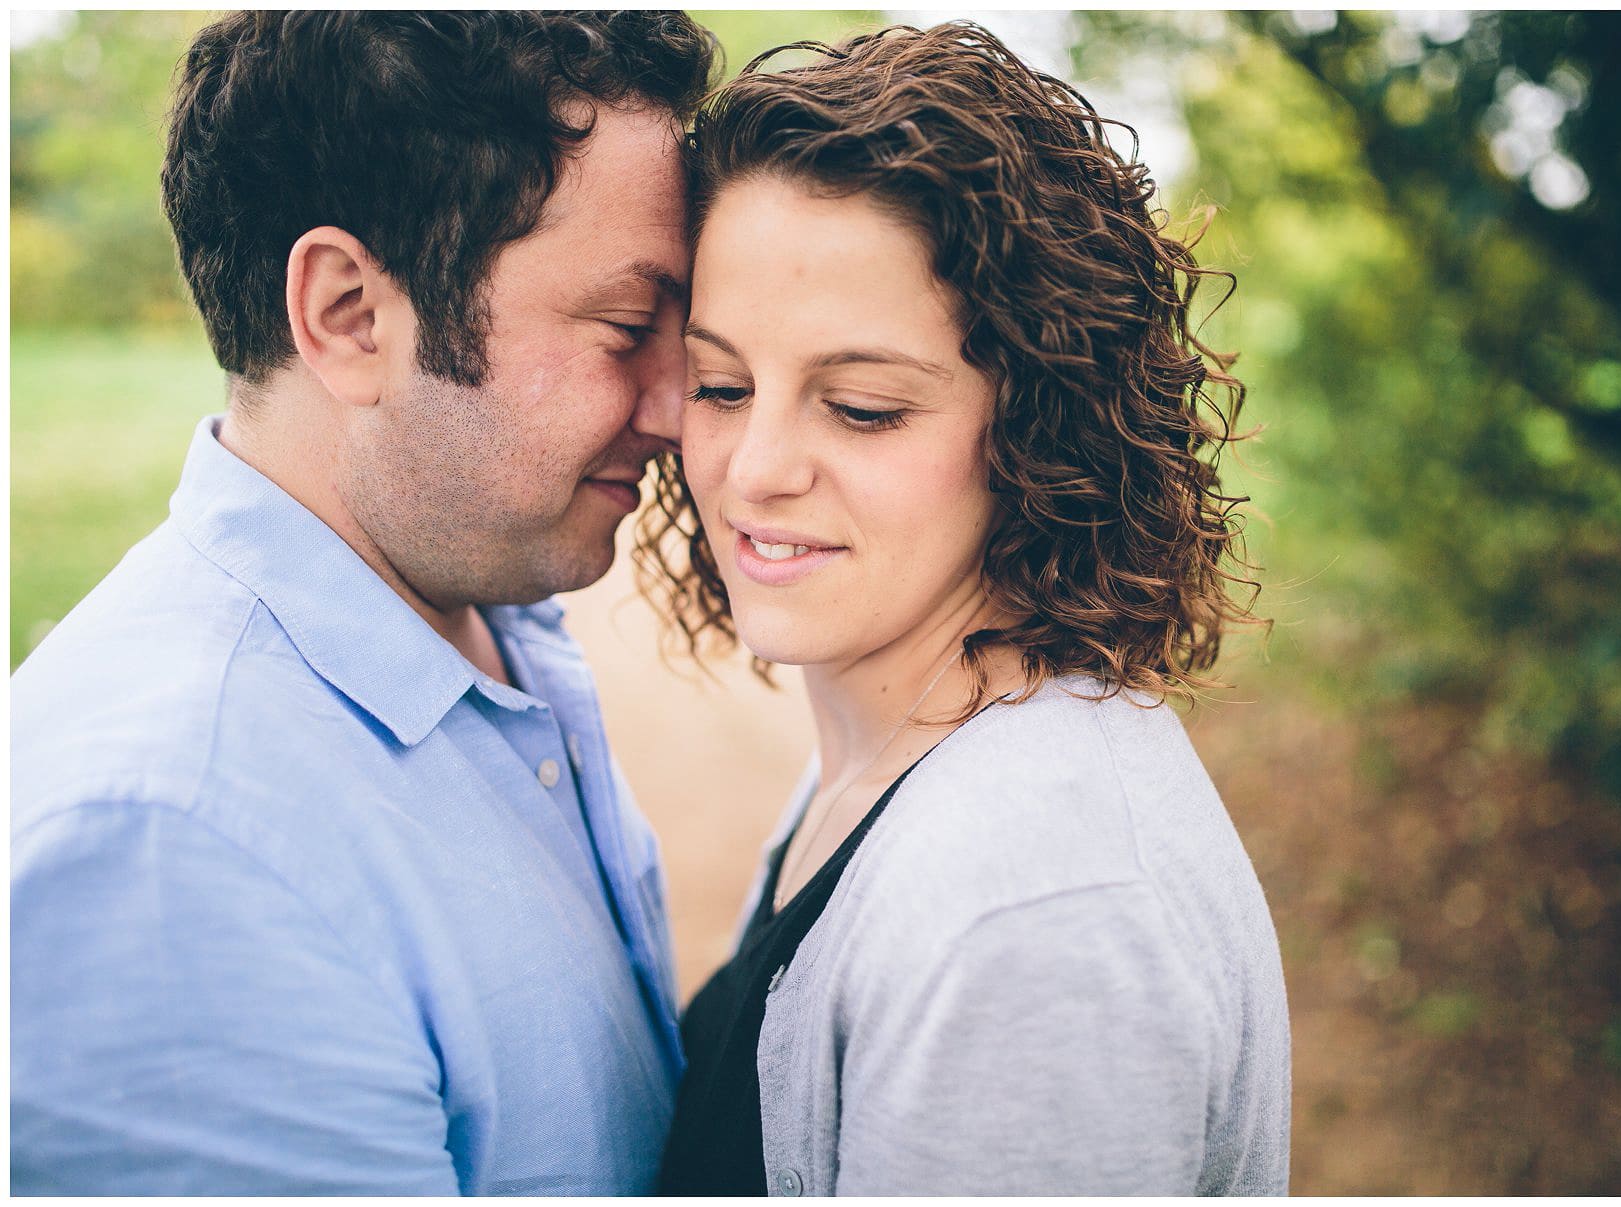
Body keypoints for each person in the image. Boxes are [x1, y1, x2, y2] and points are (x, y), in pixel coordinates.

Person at [11, 12, 714, 1194]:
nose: (677, 405)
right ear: (347, 314)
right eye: (628, 328)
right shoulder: (174, 846)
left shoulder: (483, 610)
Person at [643, 20, 1291, 1197]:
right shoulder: (896, 742)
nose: (753, 468)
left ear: (1043, 432)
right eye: (722, 384)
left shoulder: (1033, 921)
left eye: (866, 407)